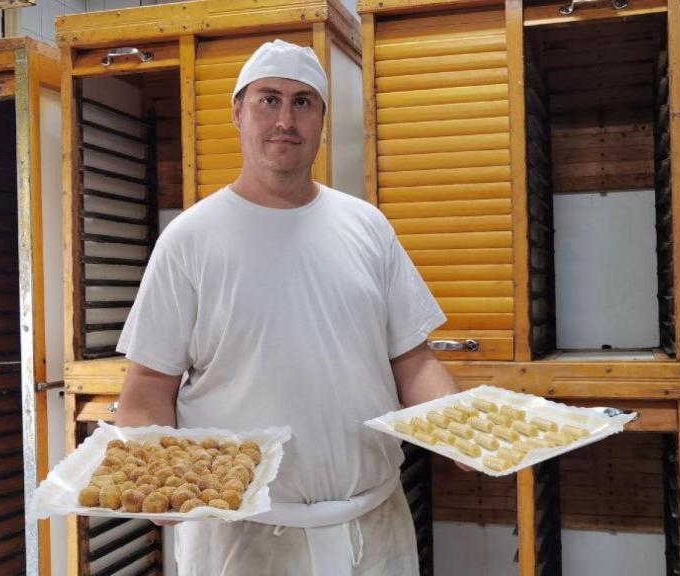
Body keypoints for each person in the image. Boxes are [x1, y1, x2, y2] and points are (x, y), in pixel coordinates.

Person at [114, 39, 464, 575]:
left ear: (322, 119)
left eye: (303, 102)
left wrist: (464, 428)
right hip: (242, 538)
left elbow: (413, 362)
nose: (285, 118)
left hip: (372, 525)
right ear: (238, 111)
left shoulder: (366, 227)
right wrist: (156, 473)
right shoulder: (190, 239)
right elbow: (146, 390)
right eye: (268, 99)